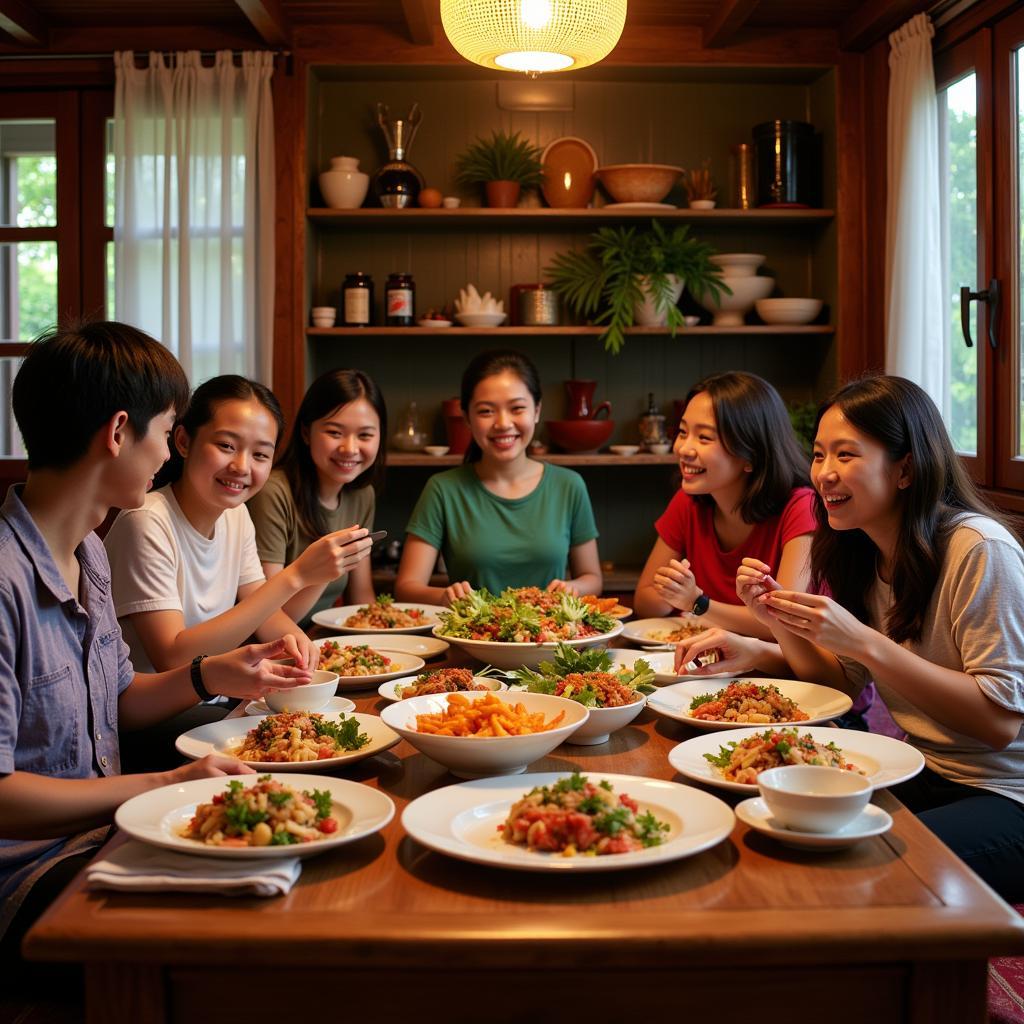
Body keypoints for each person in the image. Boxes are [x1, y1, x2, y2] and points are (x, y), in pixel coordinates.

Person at [0, 321, 312, 980]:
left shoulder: (88, 549)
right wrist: (165, 784)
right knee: (251, 951)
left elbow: (122, 703)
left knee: (295, 862)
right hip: (30, 880)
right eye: (167, 430)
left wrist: (211, 674)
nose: (169, 453)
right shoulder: (6, 581)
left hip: (107, 838)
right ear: (118, 433)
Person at [737, 375, 1024, 901]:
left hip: (1009, 795)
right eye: (819, 454)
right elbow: (841, 685)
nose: (823, 474)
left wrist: (866, 642)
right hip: (932, 769)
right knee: (786, 825)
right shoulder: (862, 551)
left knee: (863, 862)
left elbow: (1000, 722)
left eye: (846, 455)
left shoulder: (981, 551)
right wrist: (776, 618)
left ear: (907, 468)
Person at [104, 374, 374, 675]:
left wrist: (303, 649)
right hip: (163, 716)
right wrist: (297, 575)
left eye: (260, 454)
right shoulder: (147, 522)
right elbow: (172, 657)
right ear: (183, 441)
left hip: (217, 697)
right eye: (226, 445)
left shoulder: (236, 515)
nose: (242, 467)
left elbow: (265, 615)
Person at [632, 371, 816, 677]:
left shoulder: (799, 507)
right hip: (709, 674)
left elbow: (781, 622)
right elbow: (645, 601)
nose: (684, 448)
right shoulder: (688, 501)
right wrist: (672, 592)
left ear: (751, 455)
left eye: (704, 437)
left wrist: (697, 602)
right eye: (683, 432)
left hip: (790, 681)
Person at [395, 349, 602, 605]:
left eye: (517, 408)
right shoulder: (443, 489)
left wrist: (573, 588)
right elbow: (406, 587)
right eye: (486, 411)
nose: (503, 423)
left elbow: (592, 577)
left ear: (536, 410)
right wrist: (446, 596)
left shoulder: (569, 485)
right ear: (467, 418)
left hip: (550, 639)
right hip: (471, 639)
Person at [248, 369, 385, 626]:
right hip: (274, 648)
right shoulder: (273, 493)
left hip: (321, 639)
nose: (350, 449)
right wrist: (323, 570)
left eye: (365, 435)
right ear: (306, 433)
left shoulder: (362, 495)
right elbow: (266, 619)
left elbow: (361, 598)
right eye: (335, 433)